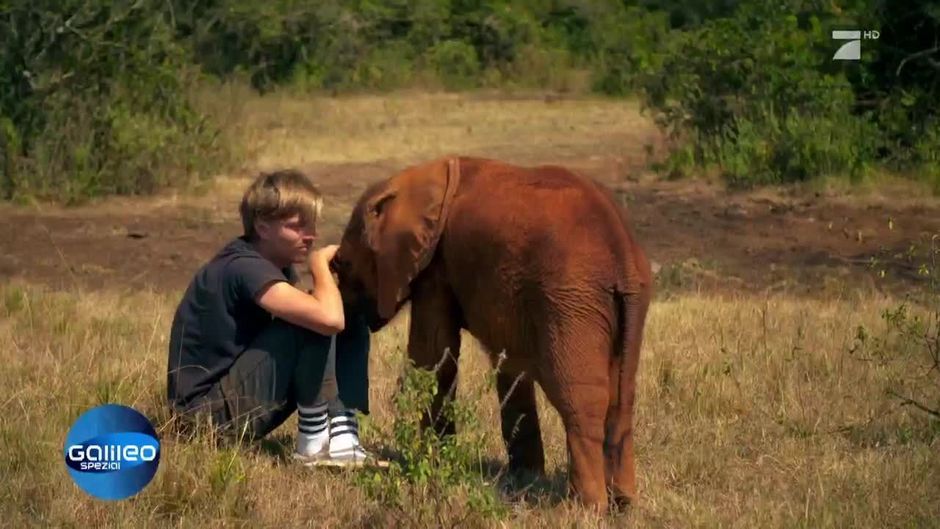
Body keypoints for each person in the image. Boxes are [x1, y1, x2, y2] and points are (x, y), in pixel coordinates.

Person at [166, 169, 376, 467]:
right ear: (263, 227)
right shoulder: (244, 267)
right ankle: (313, 446)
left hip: (231, 404)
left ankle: (342, 431)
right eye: (297, 226)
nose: (311, 235)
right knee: (313, 319)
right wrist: (319, 265)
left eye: (312, 225)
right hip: (203, 422)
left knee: (347, 312)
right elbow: (327, 320)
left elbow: (336, 320)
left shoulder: (273, 266)